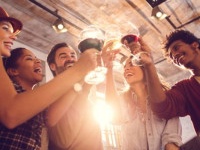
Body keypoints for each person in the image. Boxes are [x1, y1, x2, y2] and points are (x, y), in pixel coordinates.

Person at [0, 6, 98, 149]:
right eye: (5, 28)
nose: (14, 36)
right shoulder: (13, 93)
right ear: (13, 71)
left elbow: (51, 118)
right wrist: (78, 70)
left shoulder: (31, 98)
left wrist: (83, 76)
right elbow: (11, 113)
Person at [103, 40, 182, 150]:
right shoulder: (123, 100)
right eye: (124, 67)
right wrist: (108, 68)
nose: (126, 68)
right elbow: (113, 117)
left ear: (145, 69)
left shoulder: (166, 100)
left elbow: (171, 140)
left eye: (131, 64)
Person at [137, 30, 200, 134]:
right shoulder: (185, 89)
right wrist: (149, 65)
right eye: (171, 56)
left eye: (176, 47)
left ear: (194, 45)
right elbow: (162, 107)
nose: (174, 55)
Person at [46, 43, 103, 150]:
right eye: (63, 56)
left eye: (73, 55)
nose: (70, 59)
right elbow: (62, 141)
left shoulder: (84, 93)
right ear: (52, 66)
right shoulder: (51, 96)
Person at [1, 47, 49, 149]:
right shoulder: (9, 93)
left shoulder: (37, 101)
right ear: (14, 71)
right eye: (29, 58)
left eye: (36, 58)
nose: (38, 61)